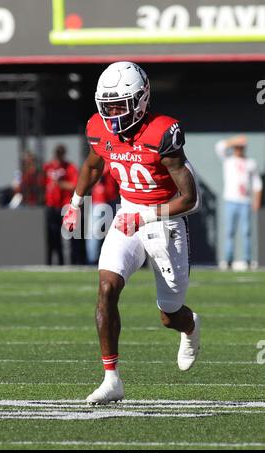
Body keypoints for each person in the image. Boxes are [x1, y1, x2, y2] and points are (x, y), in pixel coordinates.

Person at [63, 62, 201, 405]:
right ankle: (112, 379)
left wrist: (148, 216)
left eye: (119, 104)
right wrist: (76, 202)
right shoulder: (99, 129)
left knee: (169, 314)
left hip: (165, 218)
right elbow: (94, 164)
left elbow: (190, 198)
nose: (111, 113)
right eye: (106, 105)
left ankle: (190, 326)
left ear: (141, 100)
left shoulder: (162, 133)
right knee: (107, 286)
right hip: (127, 213)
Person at [215, 135, 263, 270]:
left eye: (241, 147)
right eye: (237, 147)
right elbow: (219, 147)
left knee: (246, 232)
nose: (239, 150)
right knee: (229, 232)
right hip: (231, 200)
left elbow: (257, 184)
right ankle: (228, 260)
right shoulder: (228, 160)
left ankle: (247, 260)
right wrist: (234, 141)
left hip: (246, 202)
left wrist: (256, 201)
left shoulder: (251, 163)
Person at [44, 144, 78, 265]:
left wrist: (60, 184)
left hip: (64, 206)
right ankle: (53, 262)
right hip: (51, 205)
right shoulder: (48, 167)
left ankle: (70, 262)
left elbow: (74, 186)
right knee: (52, 237)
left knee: (68, 237)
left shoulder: (69, 167)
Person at [85, 166, 119, 265]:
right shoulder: (103, 161)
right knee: (94, 234)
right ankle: (92, 260)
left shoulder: (111, 160)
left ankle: (114, 259)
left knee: (115, 233)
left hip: (112, 199)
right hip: (99, 200)